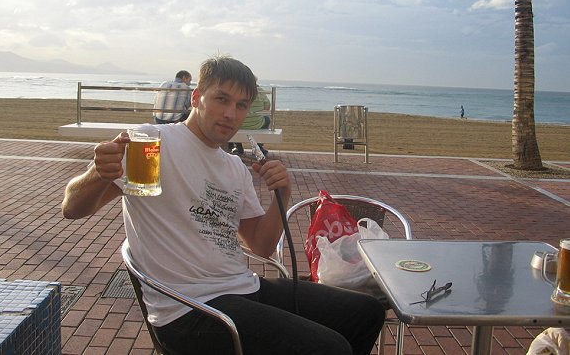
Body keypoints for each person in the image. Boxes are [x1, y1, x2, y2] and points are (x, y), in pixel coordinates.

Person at [62, 55, 385, 355]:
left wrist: (283, 193)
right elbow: (73, 209)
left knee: (367, 311)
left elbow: (260, 245)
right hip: (188, 308)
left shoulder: (233, 167)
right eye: (222, 99)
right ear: (196, 97)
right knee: (329, 348)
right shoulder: (152, 143)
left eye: (242, 105)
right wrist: (98, 174)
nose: (231, 113)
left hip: (241, 288)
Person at [228, 85, 271, 156]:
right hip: (256, 124)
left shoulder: (238, 90)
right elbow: (267, 107)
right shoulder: (260, 91)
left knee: (234, 119)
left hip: (240, 125)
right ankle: (258, 146)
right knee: (267, 119)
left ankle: (238, 147)